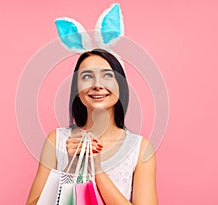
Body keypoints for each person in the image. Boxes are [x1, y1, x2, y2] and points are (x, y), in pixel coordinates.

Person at [26, 49, 158, 205]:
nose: (97, 85)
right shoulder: (56, 140)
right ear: (77, 89)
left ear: (120, 86)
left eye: (107, 75)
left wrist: (97, 170)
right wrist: (72, 166)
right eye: (87, 76)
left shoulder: (140, 149)